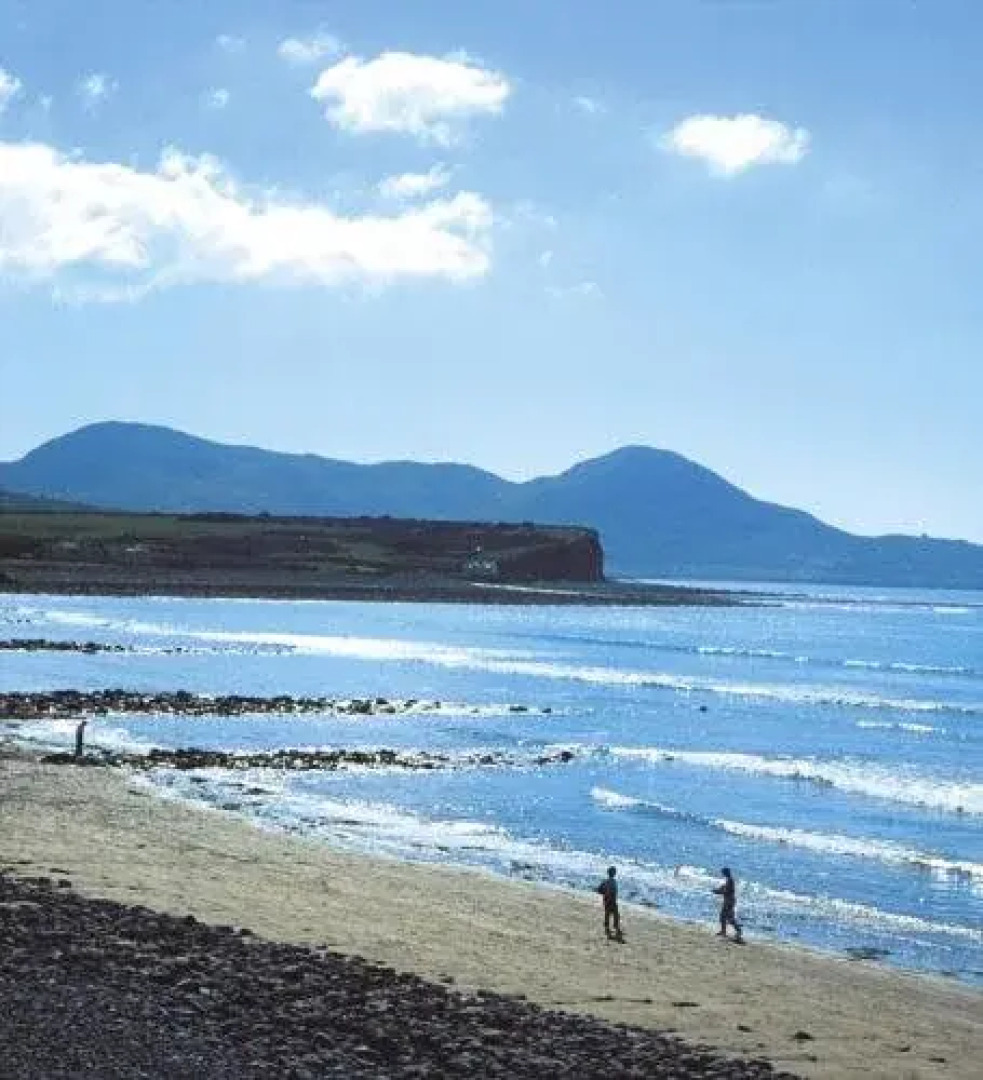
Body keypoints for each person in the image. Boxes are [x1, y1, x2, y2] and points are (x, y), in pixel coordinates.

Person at [714, 867, 744, 943]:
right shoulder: (729, 880)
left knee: (728, 918)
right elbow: (725, 889)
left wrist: (718, 891)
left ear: (726, 873)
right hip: (729, 901)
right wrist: (719, 890)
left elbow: (726, 891)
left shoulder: (730, 880)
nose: (722, 874)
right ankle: (724, 931)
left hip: (729, 901)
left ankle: (738, 930)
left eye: (723, 873)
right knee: (724, 916)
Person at [596, 865, 623, 941]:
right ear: (614, 873)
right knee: (616, 914)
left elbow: (599, 890)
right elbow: (614, 892)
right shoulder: (613, 882)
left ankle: (607, 927)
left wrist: (604, 893)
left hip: (606, 900)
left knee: (607, 914)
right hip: (612, 901)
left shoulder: (605, 881)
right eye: (615, 872)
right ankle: (616, 928)